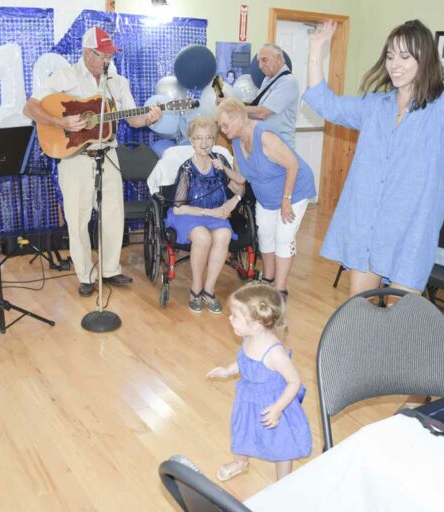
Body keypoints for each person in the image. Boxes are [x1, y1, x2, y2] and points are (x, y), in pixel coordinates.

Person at [301, 14, 444, 297]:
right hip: (368, 222)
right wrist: (317, 48)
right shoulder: (376, 105)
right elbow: (325, 103)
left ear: (423, 59)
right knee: (358, 308)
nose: (395, 65)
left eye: (404, 57)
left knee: (399, 314)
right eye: (390, 57)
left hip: (412, 226)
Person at [23, 26, 162, 297]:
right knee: (78, 219)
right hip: (75, 157)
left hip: (108, 154)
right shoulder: (65, 76)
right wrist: (60, 121)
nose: (108, 60)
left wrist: (149, 118)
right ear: (87, 54)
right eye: (103, 55)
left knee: (113, 215)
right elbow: (30, 107)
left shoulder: (118, 82)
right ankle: (85, 275)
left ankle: (110, 270)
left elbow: (133, 119)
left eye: (110, 55)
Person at [206, 283, 312, 481]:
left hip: (273, 403)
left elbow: (294, 382)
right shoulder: (249, 337)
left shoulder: (275, 354)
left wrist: (278, 408)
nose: (230, 318)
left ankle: (284, 481)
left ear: (256, 323)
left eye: (235, 316)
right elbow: (244, 361)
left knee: (282, 443)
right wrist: (229, 370)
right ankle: (240, 462)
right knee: (242, 430)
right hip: (248, 399)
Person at [215, 98, 316, 297]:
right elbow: (242, 178)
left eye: (225, 125)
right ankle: (267, 278)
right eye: (220, 126)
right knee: (265, 236)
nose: (222, 130)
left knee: (284, 238)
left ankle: (280, 289)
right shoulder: (235, 141)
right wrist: (222, 171)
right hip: (267, 197)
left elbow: (292, 165)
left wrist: (286, 200)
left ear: (238, 119)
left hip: (294, 191)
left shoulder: (265, 137)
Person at [165, 117, 244, 314]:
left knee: (224, 235)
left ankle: (209, 291)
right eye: (198, 138)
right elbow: (178, 208)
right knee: (203, 237)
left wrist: (231, 203)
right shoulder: (186, 169)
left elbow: (240, 186)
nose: (204, 143)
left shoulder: (220, 162)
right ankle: (196, 289)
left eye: (209, 137)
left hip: (216, 214)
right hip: (189, 215)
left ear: (215, 140)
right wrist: (212, 212)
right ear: (191, 141)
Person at [247, 44, 299, 149]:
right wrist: (231, 102)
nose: (260, 66)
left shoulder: (288, 81)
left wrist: (234, 108)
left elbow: (262, 113)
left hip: (280, 147)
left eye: (264, 60)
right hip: (265, 143)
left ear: (279, 58)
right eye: (259, 62)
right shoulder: (268, 80)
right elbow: (256, 108)